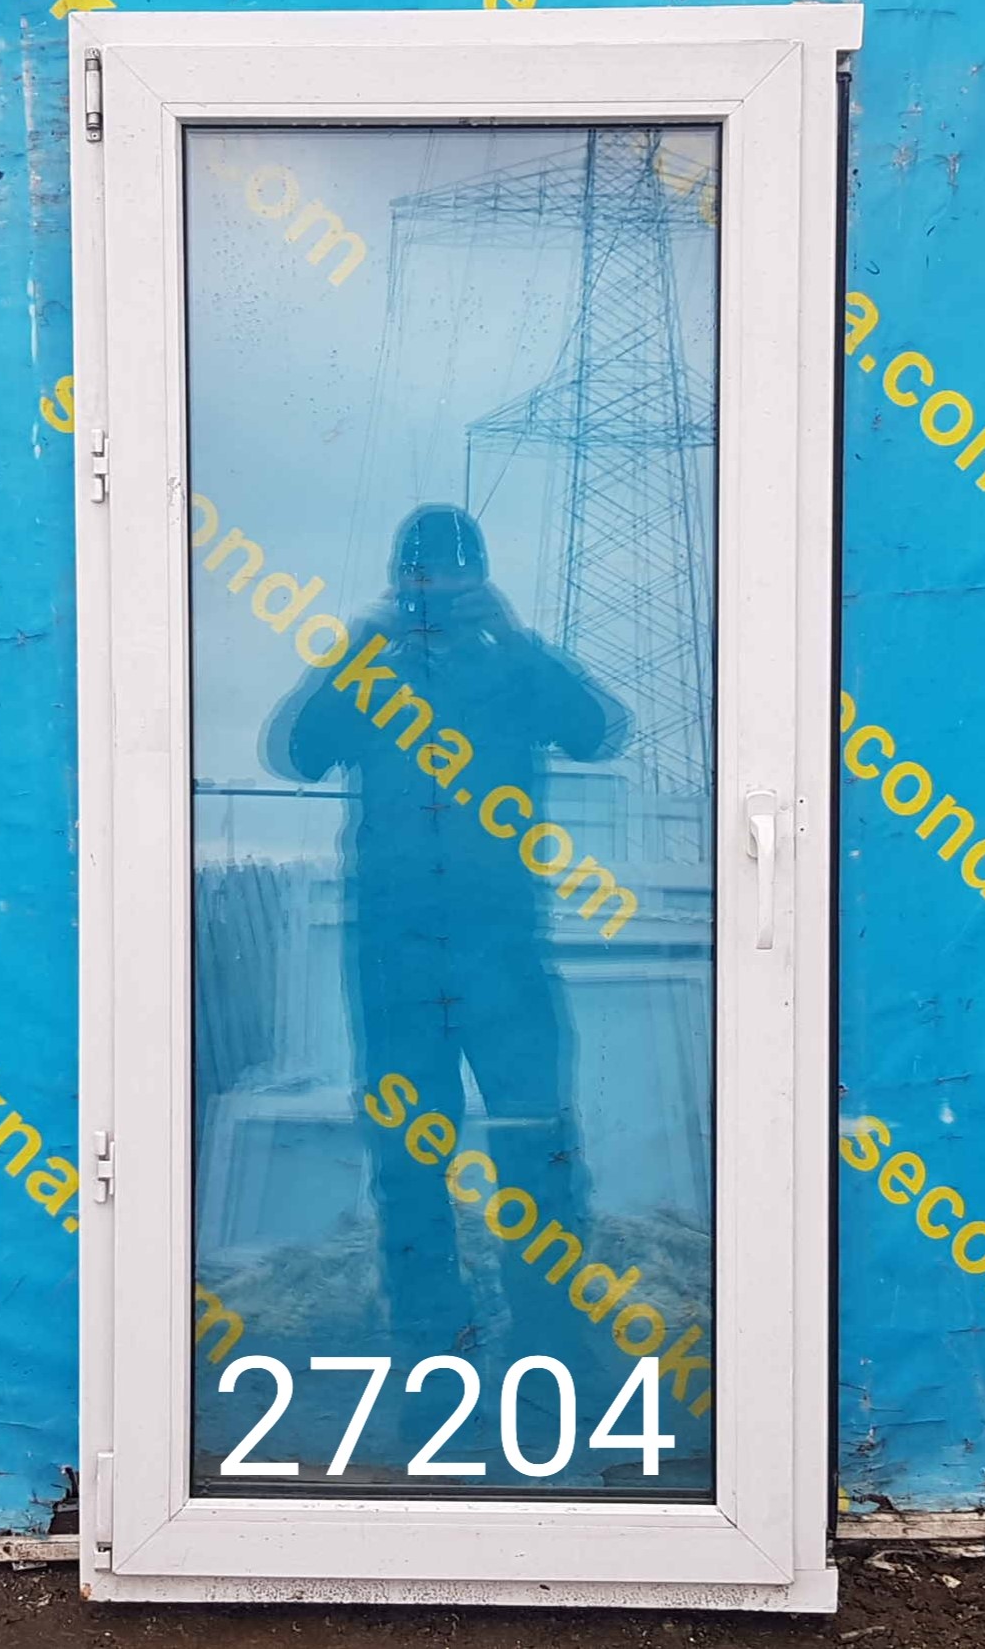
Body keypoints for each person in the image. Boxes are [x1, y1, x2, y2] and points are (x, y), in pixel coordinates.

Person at [263, 504, 630, 1450]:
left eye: (454, 579)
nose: (437, 595)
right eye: (423, 579)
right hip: (397, 959)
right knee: (409, 1162)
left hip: (502, 952)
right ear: (399, 583)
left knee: (539, 1149)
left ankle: (554, 1358)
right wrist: (358, 645)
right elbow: (295, 752)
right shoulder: (370, 670)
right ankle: (437, 1369)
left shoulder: (513, 666)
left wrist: (517, 635)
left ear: (481, 582)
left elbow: (599, 730)